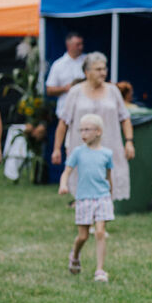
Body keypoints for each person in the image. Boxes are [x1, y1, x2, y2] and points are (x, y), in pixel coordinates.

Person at [51, 53, 134, 200]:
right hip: (82, 147)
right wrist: (57, 148)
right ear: (87, 72)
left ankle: (102, 220)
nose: (103, 72)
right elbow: (63, 122)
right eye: (98, 69)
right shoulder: (75, 92)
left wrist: (129, 141)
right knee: (84, 187)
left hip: (110, 146)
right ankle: (86, 219)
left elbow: (125, 118)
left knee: (109, 186)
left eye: (104, 68)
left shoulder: (113, 91)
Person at [58, 113, 114, 282]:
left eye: (87, 130)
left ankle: (100, 270)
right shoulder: (77, 152)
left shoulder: (107, 154)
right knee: (83, 236)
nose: (83, 133)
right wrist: (63, 185)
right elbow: (66, 172)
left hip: (102, 197)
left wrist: (110, 195)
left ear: (98, 132)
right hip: (84, 198)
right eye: (81, 130)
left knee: (100, 232)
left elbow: (108, 177)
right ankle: (74, 255)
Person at [45, 32, 86, 114]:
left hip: (86, 110)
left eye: (82, 44)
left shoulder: (89, 61)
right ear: (68, 45)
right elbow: (49, 90)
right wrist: (65, 88)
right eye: (77, 44)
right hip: (65, 111)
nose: (81, 47)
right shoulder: (58, 64)